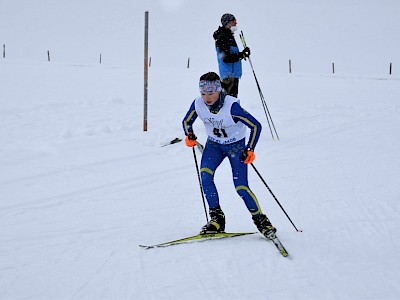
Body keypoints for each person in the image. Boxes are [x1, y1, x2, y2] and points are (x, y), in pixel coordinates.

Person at [182, 71, 277, 240]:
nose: (207, 98)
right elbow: (186, 121)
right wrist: (189, 135)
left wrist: (250, 149)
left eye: (211, 93)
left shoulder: (232, 106)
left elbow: (256, 126)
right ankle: (217, 219)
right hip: (214, 146)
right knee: (205, 176)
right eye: (203, 93)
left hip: (236, 147)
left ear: (219, 90)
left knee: (241, 187)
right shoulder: (198, 104)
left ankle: (261, 221)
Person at [213, 13, 251, 98]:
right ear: (228, 23)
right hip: (229, 75)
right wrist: (241, 55)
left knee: (230, 101)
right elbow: (226, 58)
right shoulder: (223, 37)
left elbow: (231, 55)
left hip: (232, 74)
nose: (236, 23)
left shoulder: (228, 36)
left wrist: (242, 54)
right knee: (229, 101)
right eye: (234, 21)